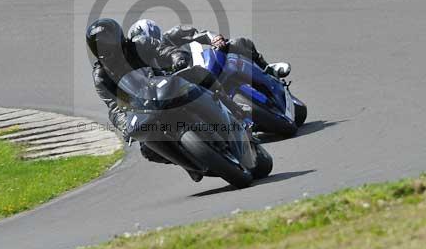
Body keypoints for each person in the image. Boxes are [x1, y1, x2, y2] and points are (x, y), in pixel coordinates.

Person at [86, 17, 250, 181]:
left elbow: (163, 50)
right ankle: (189, 164)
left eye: (106, 41)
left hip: (167, 82)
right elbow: (114, 107)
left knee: (199, 75)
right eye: (98, 44)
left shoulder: (139, 43)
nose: (104, 47)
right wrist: (125, 125)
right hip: (142, 106)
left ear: (118, 37)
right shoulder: (101, 76)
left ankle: (233, 108)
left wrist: (177, 59)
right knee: (147, 149)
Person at [128, 19, 291, 78]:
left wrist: (215, 39)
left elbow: (201, 34)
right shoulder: (144, 68)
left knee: (238, 43)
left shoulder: (172, 35)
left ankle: (267, 69)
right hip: (191, 88)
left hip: (207, 63)